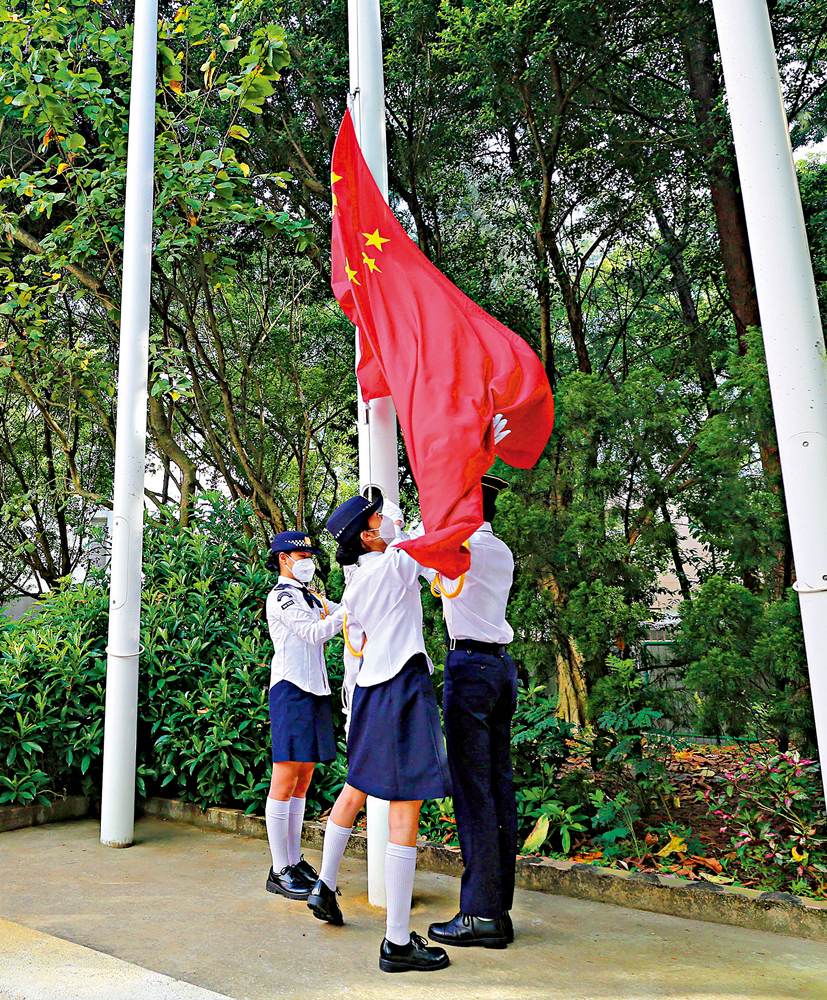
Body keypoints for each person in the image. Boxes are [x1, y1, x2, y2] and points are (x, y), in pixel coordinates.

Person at [306, 495, 451, 975]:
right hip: (401, 689)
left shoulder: (359, 579)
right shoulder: (394, 563)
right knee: (405, 808)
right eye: (381, 517)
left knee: (357, 789)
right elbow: (431, 540)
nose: (393, 518)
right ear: (369, 536)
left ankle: (325, 885)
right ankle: (395, 941)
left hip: (370, 691)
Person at [427, 474, 518, 949]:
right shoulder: (499, 550)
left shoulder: (457, 549)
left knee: (473, 791)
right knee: (499, 786)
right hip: (502, 669)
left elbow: (414, 558)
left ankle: (479, 914)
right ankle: (498, 907)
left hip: (469, 668)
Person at [263, 530, 345, 901]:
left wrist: (352, 604)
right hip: (291, 690)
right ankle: (279, 869)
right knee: (285, 777)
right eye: (301, 553)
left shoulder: (308, 595)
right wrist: (351, 611)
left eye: (310, 553)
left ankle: (294, 860)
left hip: (315, 691)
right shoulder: (281, 596)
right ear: (284, 559)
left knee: (304, 777)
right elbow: (314, 633)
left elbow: (337, 609)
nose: (308, 559)